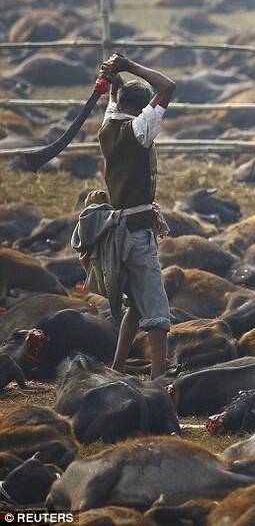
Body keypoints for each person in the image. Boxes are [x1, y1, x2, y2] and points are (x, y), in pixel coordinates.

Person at [98, 54, 176, 380]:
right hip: (137, 233)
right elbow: (168, 86)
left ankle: (117, 368)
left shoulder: (109, 126)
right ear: (141, 109)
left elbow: (116, 99)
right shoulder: (138, 131)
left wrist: (113, 76)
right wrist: (128, 65)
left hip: (119, 231)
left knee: (135, 304)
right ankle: (159, 383)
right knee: (157, 314)